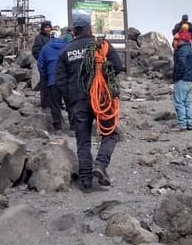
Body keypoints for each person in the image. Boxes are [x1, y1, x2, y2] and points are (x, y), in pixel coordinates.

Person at [55, 14, 124, 192]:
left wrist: (69, 101)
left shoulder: (65, 52)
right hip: (101, 99)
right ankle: (100, 164)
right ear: (89, 29)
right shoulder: (102, 46)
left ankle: (86, 182)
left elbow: (60, 81)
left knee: (83, 140)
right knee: (111, 133)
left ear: (75, 31)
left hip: (77, 102)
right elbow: (117, 66)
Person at [37, 33, 69, 132]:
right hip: (66, 80)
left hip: (52, 80)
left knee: (55, 105)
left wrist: (45, 77)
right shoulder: (68, 47)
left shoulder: (46, 48)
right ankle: (73, 127)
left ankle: (58, 128)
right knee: (70, 104)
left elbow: (40, 64)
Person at [172, 30, 192, 131]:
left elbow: (181, 63)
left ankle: (182, 124)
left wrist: (177, 76)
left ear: (182, 39)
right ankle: (190, 124)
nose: (177, 41)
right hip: (190, 79)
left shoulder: (182, 50)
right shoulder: (191, 49)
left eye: (178, 39)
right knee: (187, 102)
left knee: (179, 102)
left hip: (182, 79)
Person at [33, 20, 54, 110]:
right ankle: (45, 105)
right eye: (46, 27)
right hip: (44, 65)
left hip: (52, 66)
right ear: (42, 28)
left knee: (52, 84)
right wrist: (42, 60)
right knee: (44, 84)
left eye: (49, 27)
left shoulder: (51, 37)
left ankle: (53, 103)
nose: (48, 29)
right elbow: (35, 51)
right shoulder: (39, 38)